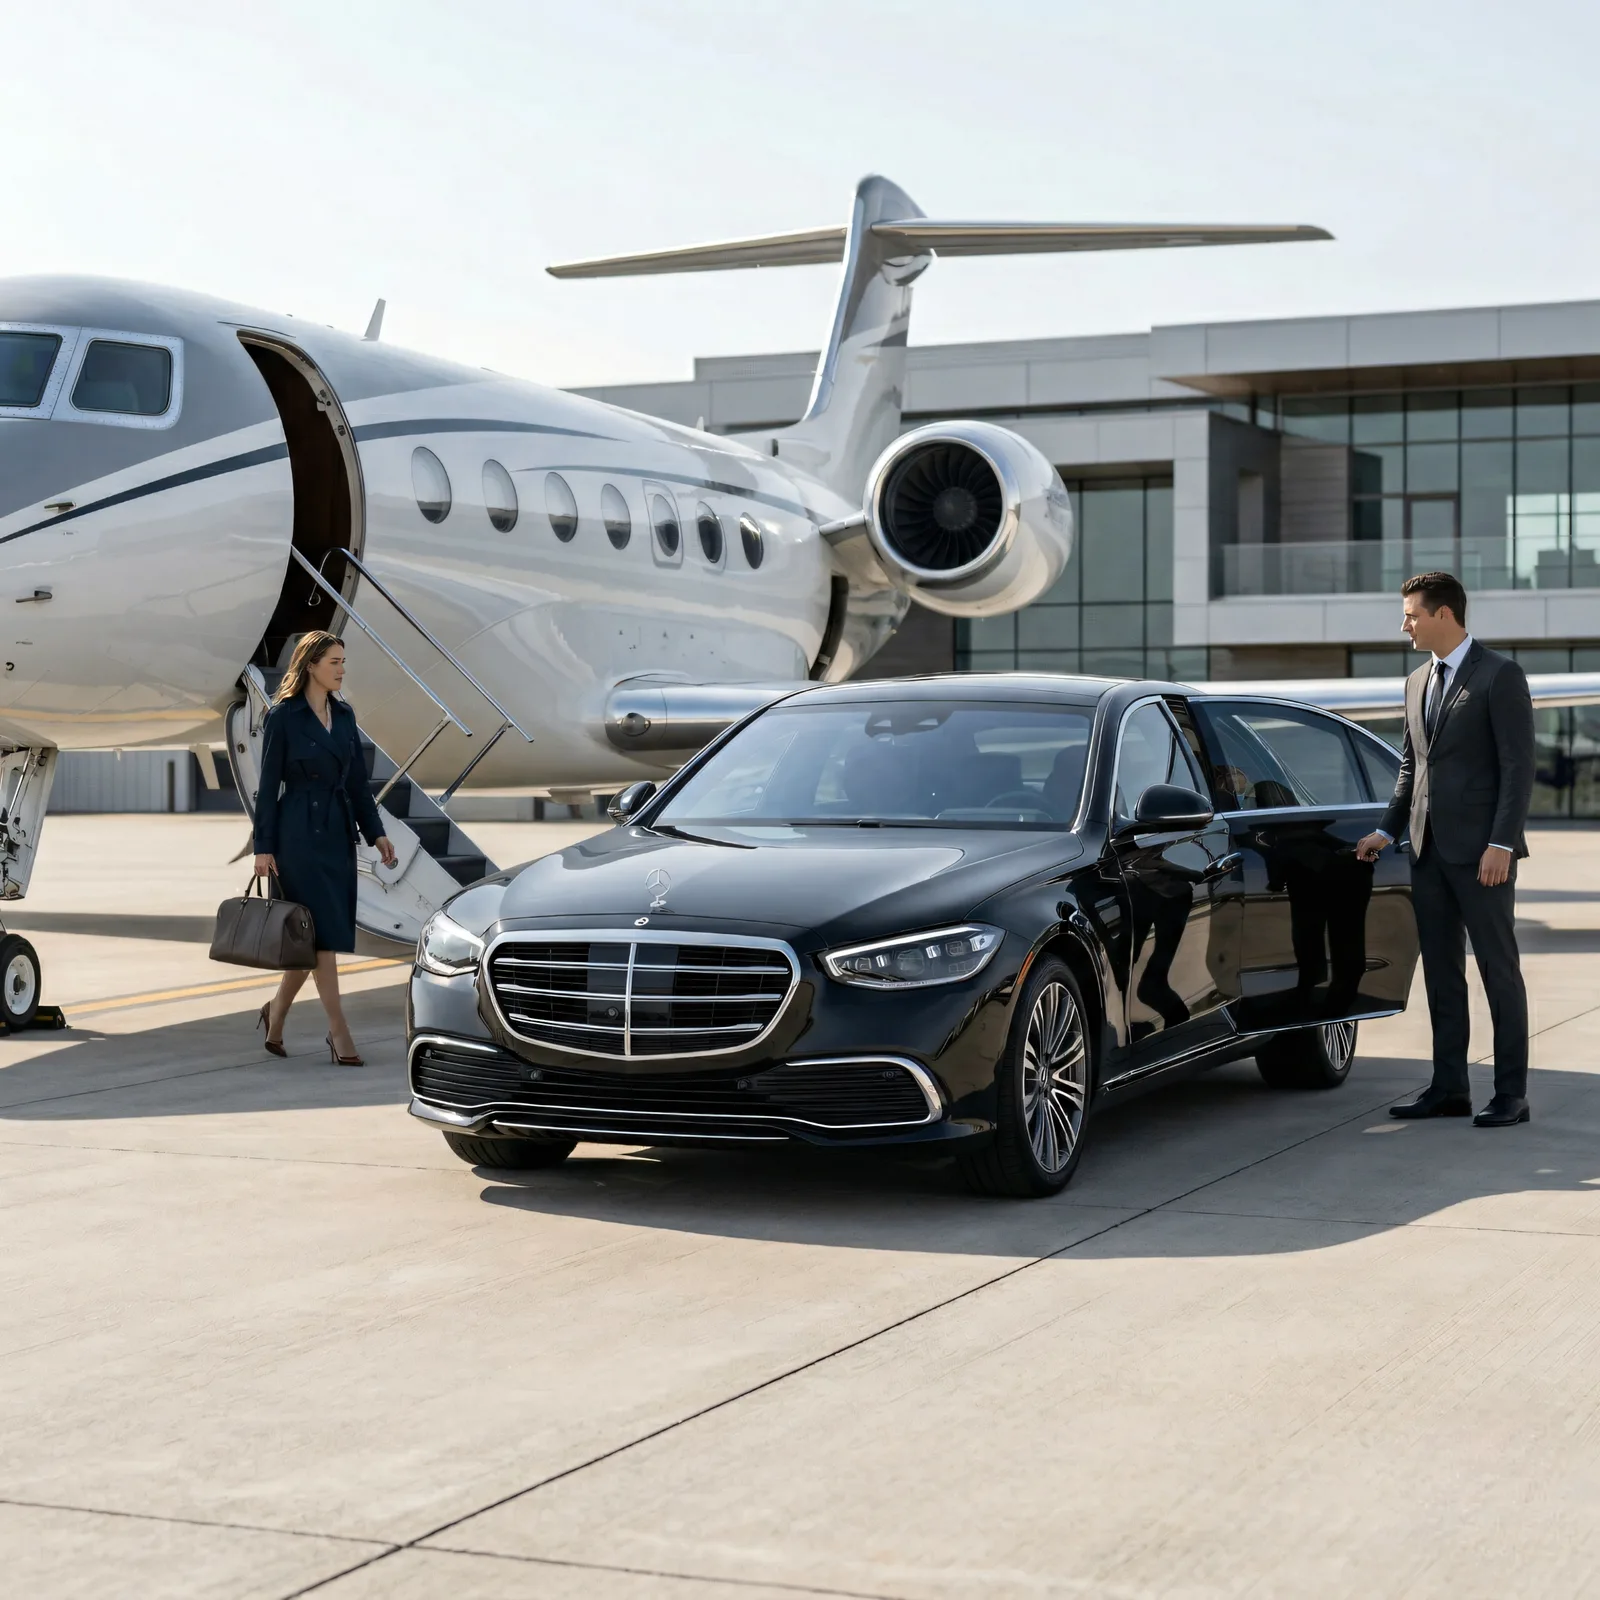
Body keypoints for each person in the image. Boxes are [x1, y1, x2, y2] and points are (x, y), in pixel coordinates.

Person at [1356, 572, 1535, 1127]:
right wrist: (1387, 830)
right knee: (1440, 972)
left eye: (1411, 614)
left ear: (1443, 615)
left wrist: (1501, 842)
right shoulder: (1416, 681)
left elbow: (1517, 767)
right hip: (1427, 851)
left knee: (1498, 972)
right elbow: (1413, 766)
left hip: (1484, 854)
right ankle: (1449, 1088)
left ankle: (1512, 1094)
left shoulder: (1499, 676)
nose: (1404, 624)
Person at [252, 632, 398, 1064]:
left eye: (343, 661)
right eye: (333, 661)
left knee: (318, 936)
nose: (341, 669)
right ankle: (339, 1032)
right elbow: (266, 787)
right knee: (320, 942)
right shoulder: (283, 717)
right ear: (311, 665)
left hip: (336, 833)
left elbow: (357, 784)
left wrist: (376, 833)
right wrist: (264, 846)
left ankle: (275, 1014)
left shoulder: (346, 715)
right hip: (296, 834)